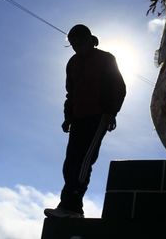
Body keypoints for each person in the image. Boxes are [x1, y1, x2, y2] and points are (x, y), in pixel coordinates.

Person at [44, 24, 127, 219]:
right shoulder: (72, 63)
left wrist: (111, 113)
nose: (76, 47)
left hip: (98, 117)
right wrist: (68, 118)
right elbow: (70, 93)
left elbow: (119, 87)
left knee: (84, 161)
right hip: (78, 118)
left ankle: (71, 206)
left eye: (79, 43)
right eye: (73, 44)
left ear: (89, 40)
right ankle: (71, 207)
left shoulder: (106, 59)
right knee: (70, 162)